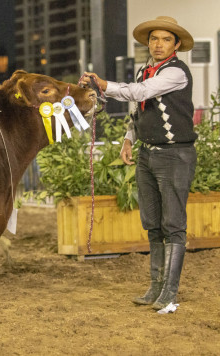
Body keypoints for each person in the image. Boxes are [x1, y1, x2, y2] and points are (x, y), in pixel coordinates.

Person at [82, 16, 197, 312]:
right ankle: (156, 288)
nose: (157, 44)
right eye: (154, 38)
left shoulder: (177, 72)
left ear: (176, 45)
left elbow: (141, 93)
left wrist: (104, 84)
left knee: (173, 225)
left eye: (165, 39)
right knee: (153, 223)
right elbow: (138, 110)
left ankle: (169, 292)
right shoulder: (145, 69)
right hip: (148, 153)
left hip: (174, 154)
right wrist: (128, 139)